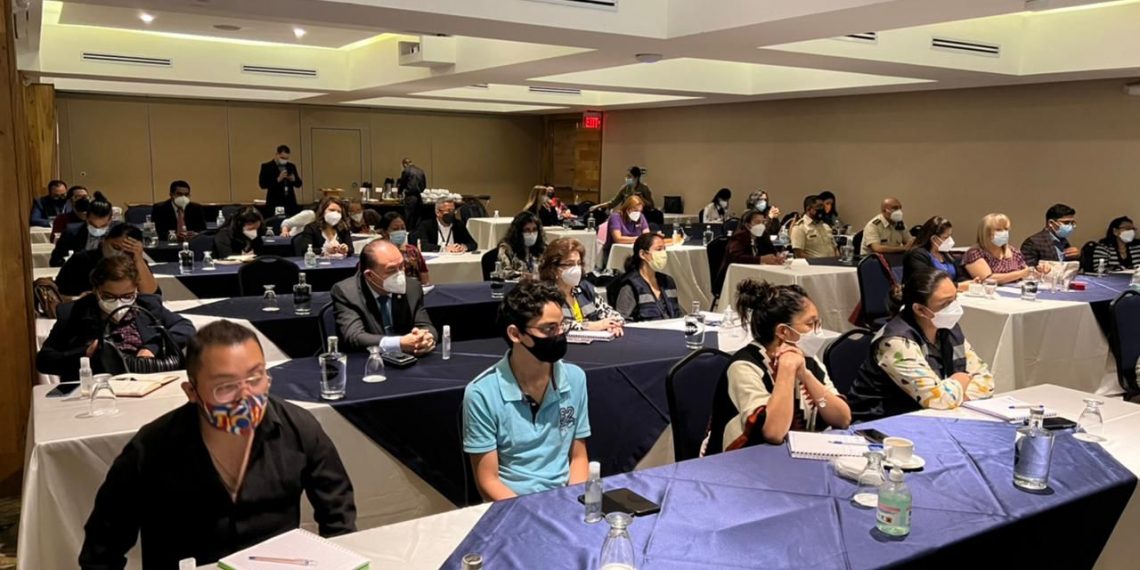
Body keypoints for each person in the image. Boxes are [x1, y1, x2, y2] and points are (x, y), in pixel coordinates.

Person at [78, 321, 356, 569]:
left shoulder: (299, 429)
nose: (245, 397)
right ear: (192, 392)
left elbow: (339, 519)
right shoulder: (151, 448)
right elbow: (102, 549)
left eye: (255, 378)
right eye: (226, 386)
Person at [462, 280, 591, 499]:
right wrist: (530, 512)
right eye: (549, 329)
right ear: (515, 334)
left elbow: (578, 457)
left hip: (565, 499)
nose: (560, 334)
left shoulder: (575, 378)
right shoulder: (481, 393)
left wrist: (573, 502)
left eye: (562, 325)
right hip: (511, 503)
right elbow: (488, 481)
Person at [704, 280, 851, 455]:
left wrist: (806, 375)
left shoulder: (807, 359)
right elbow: (774, 433)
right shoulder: (744, 367)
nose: (817, 331)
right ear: (783, 331)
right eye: (810, 324)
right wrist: (786, 370)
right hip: (742, 459)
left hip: (797, 456)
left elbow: (843, 419)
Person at [848, 269, 994, 421]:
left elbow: (986, 381)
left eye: (955, 298)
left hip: (933, 416)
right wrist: (960, 380)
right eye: (946, 303)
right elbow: (939, 400)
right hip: (882, 422)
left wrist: (953, 395)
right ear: (920, 309)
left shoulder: (948, 329)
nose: (954, 307)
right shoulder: (896, 342)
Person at [38, 255, 194, 382]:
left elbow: (185, 327)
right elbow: (44, 360)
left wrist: (152, 346)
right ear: (96, 290)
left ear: (136, 290)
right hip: (98, 387)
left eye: (127, 296)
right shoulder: (74, 313)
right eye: (109, 296)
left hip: (148, 382)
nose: (119, 302)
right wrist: (85, 353)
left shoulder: (148, 306)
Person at [331, 239, 437, 354]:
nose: (400, 274)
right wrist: (399, 343)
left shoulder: (412, 287)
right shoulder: (346, 292)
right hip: (366, 360)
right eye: (391, 270)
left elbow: (426, 326)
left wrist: (424, 339)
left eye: (401, 266)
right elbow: (355, 337)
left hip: (405, 359)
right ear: (370, 275)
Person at [539, 238, 624, 335]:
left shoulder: (585, 288)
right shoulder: (545, 294)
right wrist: (592, 326)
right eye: (570, 264)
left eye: (579, 263)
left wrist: (613, 325)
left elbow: (611, 313)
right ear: (553, 269)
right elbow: (553, 325)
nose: (576, 268)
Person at [56, 223, 159, 297]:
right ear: (104, 241)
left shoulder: (136, 262)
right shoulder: (80, 260)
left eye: (127, 252)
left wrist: (139, 260)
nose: (119, 254)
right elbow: (58, 294)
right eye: (115, 247)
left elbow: (151, 296)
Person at [614, 233, 682, 321]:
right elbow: (622, 321)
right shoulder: (630, 286)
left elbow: (677, 314)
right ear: (642, 254)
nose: (663, 254)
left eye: (664, 249)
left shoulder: (668, 281)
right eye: (658, 249)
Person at [50, 192, 114, 267]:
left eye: (103, 226)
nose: (97, 229)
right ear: (86, 218)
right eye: (92, 224)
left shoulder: (117, 233)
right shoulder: (72, 232)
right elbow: (55, 260)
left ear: (110, 220)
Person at [904, 216, 969, 288]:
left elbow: (959, 276)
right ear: (934, 239)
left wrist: (969, 282)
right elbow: (925, 282)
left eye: (950, 236)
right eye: (946, 237)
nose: (950, 240)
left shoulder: (946, 254)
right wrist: (956, 285)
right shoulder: (916, 255)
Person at [963, 213, 1030, 284]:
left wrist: (1033, 272)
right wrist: (1020, 274)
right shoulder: (974, 253)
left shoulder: (1013, 251)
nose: (1003, 233)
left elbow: (1026, 272)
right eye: (998, 230)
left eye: (1006, 229)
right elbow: (987, 279)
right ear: (986, 233)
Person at [721, 209, 785, 276]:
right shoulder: (740, 236)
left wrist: (778, 256)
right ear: (747, 225)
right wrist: (761, 259)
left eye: (763, 222)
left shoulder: (764, 235)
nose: (761, 225)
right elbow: (736, 257)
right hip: (735, 274)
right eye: (758, 222)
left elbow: (772, 251)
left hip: (755, 272)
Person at [378, 212, 430, 285]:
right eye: (395, 229)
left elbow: (424, 274)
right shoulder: (378, 253)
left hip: (413, 289)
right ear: (384, 232)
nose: (400, 231)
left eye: (403, 228)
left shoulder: (413, 251)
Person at [498, 212, 546, 279]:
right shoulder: (506, 248)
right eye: (527, 230)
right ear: (518, 232)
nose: (531, 233)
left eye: (534, 229)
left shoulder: (542, 248)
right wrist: (526, 276)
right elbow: (505, 273)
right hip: (516, 284)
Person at [258, 144, 303, 215]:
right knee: (277, 220)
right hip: (275, 202)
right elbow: (262, 184)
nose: (284, 160)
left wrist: (294, 180)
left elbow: (299, 184)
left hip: (290, 202)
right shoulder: (267, 167)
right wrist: (278, 179)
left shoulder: (291, 166)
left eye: (286, 158)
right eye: (282, 158)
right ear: (277, 154)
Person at [398, 157, 427, 228]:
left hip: (410, 197)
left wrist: (399, 192)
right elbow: (424, 186)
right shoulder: (420, 171)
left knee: (408, 218)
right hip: (419, 198)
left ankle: (408, 232)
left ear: (405, 164)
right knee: (417, 218)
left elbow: (403, 183)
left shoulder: (406, 171)